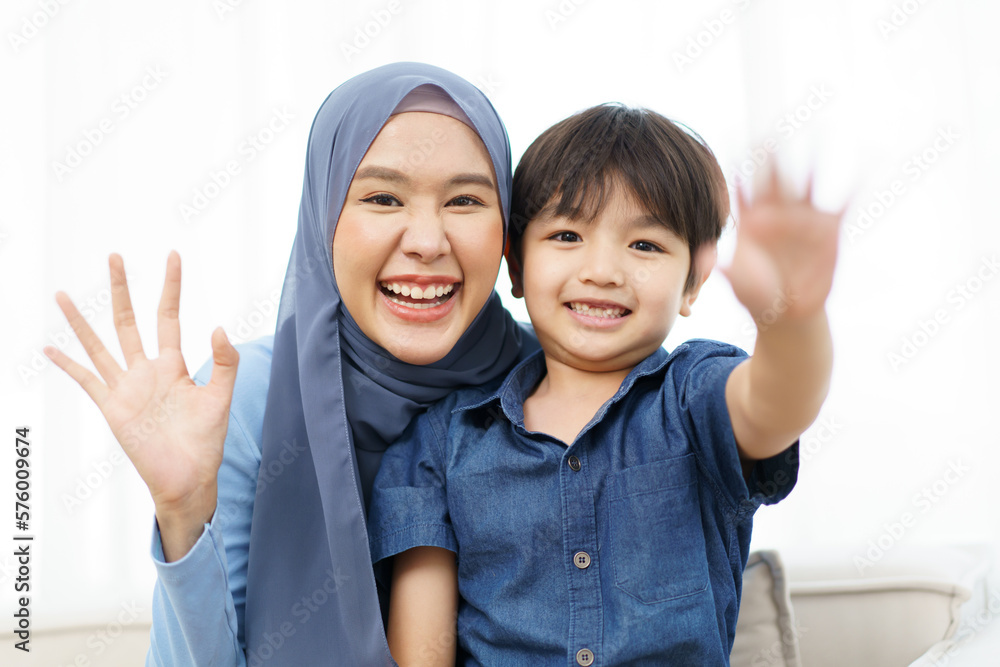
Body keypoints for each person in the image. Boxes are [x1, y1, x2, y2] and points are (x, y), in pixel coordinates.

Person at [45, 62, 538, 666]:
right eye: (382, 197)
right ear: (323, 214)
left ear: (507, 227)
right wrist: (183, 514)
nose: (427, 241)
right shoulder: (250, 398)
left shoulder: (556, 379)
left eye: (465, 200)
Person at [368, 104, 841, 665]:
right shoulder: (442, 442)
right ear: (515, 266)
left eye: (645, 246)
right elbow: (421, 649)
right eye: (567, 235)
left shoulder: (692, 395)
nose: (603, 270)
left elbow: (777, 403)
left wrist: (794, 318)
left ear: (694, 282)